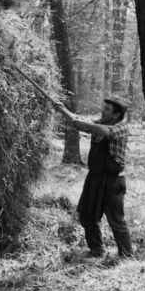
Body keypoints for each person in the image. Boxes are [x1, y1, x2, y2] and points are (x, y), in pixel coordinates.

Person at [55, 97, 134, 260]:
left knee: (116, 221)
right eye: (103, 108)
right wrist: (63, 110)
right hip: (94, 179)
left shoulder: (122, 127)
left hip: (113, 182)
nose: (102, 111)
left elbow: (104, 131)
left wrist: (83, 124)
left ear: (117, 114)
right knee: (86, 215)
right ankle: (97, 250)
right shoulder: (98, 123)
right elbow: (79, 122)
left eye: (106, 109)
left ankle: (127, 255)